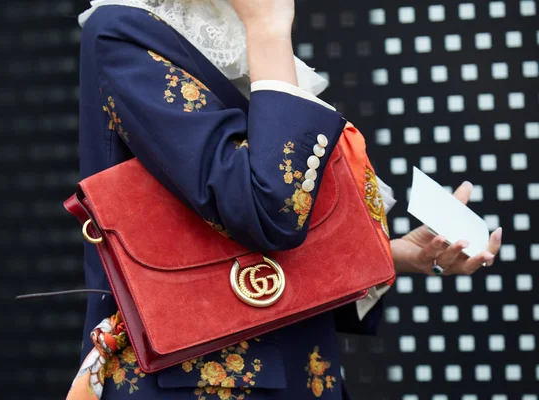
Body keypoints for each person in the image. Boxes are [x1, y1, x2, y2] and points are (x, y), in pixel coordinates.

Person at [68, 1, 503, 399]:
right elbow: (265, 210)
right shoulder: (122, 31)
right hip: (198, 379)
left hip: (300, 370)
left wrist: (395, 255)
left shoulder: (230, 33)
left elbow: (257, 235)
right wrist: (268, 27)